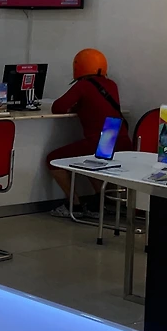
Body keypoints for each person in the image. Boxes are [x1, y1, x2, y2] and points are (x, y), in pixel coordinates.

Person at [46, 48, 132, 217]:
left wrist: (77, 106)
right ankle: (100, 203)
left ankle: (74, 204)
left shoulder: (83, 85)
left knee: (53, 159)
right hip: (120, 139)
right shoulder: (111, 85)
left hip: (100, 143)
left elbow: (58, 107)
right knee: (91, 162)